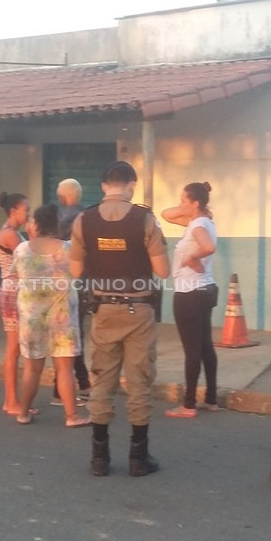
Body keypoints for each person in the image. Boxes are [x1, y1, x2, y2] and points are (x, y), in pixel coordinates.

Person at [69, 161, 170, 477]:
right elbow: (163, 271)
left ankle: (99, 458)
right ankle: (138, 458)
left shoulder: (84, 220)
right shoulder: (145, 219)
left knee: (102, 382)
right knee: (140, 381)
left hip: (103, 310)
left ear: (103, 186)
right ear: (131, 186)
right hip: (139, 311)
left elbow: (75, 270)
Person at [12, 204, 92, 428]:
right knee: (64, 369)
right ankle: (72, 416)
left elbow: (16, 276)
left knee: (31, 369)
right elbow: (79, 273)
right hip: (62, 318)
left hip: (31, 318)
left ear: (36, 224)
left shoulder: (21, 250)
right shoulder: (69, 249)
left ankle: (23, 413)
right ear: (57, 224)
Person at [161, 182, 219, 418]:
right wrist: (186, 207)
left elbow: (209, 247)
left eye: (184, 200)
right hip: (204, 289)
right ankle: (211, 399)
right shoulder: (203, 222)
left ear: (195, 203)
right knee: (205, 346)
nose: (180, 204)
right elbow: (166, 214)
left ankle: (189, 404)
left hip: (189, 293)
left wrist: (192, 257)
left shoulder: (197, 226)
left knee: (192, 350)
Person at [48, 178, 92, 405]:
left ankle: (77, 384)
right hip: (81, 282)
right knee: (73, 335)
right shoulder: (86, 217)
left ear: (62, 196)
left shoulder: (56, 219)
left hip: (59, 282)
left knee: (66, 334)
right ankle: (71, 386)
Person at [0, 192, 31, 417]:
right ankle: (11, 400)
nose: (28, 213)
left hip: (18, 292)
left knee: (18, 348)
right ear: (14, 211)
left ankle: (15, 400)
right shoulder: (9, 235)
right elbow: (29, 259)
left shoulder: (14, 232)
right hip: (12, 293)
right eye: (26, 209)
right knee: (13, 348)